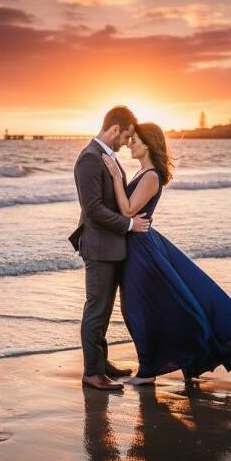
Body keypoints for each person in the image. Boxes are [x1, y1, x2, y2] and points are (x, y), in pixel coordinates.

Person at [99, 122, 231, 385]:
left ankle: (148, 372)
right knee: (142, 308)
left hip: (142, 250)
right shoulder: (143, 173)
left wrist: (117, 179)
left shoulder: (151, 176)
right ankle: (150, 368)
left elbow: (128, 210)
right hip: (137, 245)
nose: (130, 144)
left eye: (135, 140)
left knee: (139, 309)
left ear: (148, 145)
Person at [69, 106, 151, 390]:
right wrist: (129, 225)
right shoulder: (89, 159)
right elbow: (92, 209)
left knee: (104, 309)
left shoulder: (107, 157)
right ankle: (92, 373)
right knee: (96, 309)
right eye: (126, 136)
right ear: (115, 129)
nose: (127, 142)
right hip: (98, 247)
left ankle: (101, 362)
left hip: (111, 246)